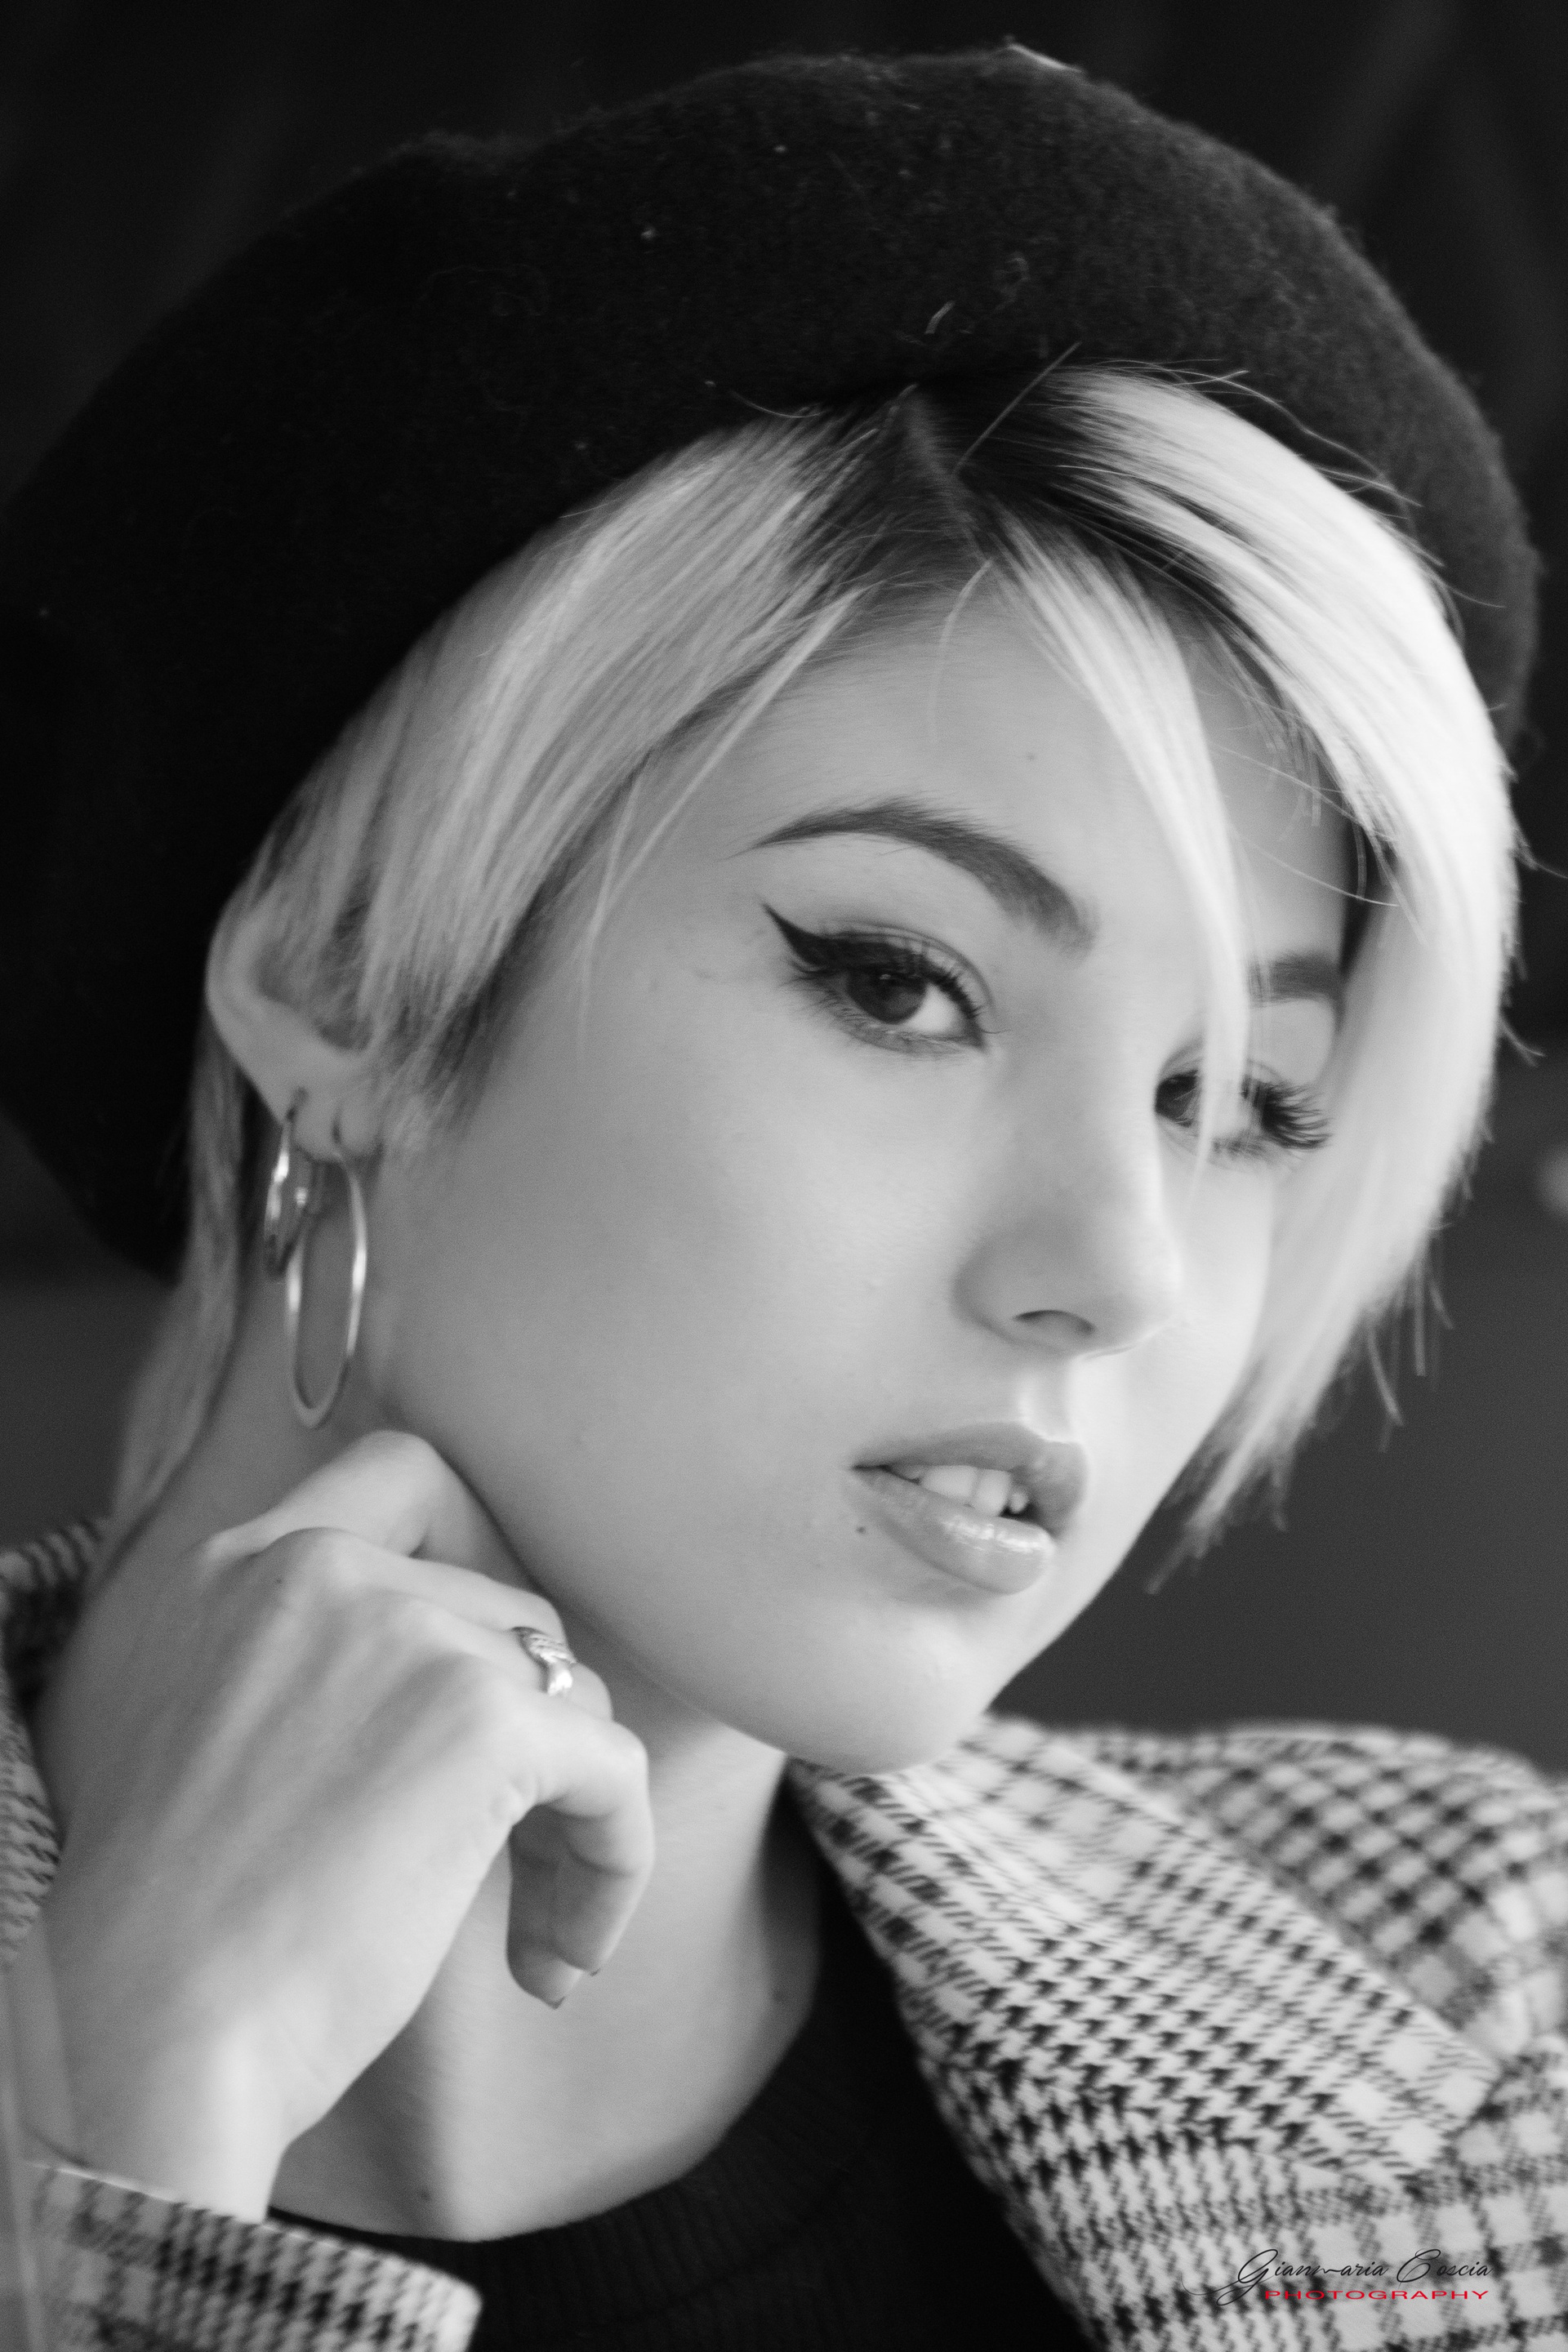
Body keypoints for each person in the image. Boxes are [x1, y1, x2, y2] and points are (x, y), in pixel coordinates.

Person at [2, 47, 1564, 2352]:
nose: (1119, 1269)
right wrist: (137, 2151)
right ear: (339, 982)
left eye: (1241, 1101)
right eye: (900, 984)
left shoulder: (1494, 2002)